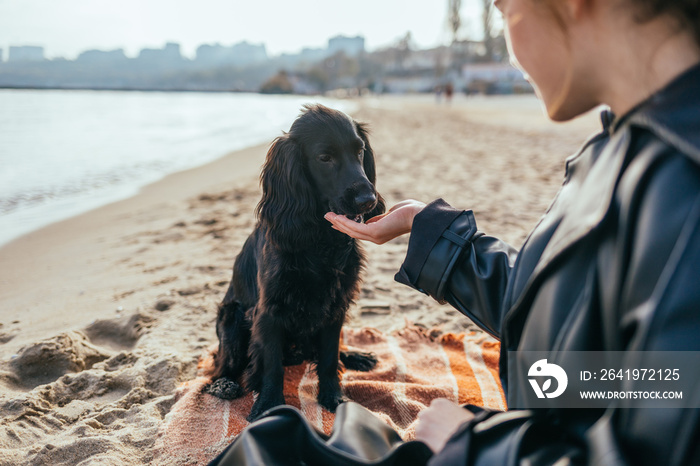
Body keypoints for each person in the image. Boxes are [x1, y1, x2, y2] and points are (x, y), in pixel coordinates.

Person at [325, 0, 700, 464]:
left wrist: (476, 445)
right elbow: (594, 353)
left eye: (504, 9)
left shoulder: (683, 183)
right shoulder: (629, 147)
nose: (509, 50)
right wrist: (424, 227)